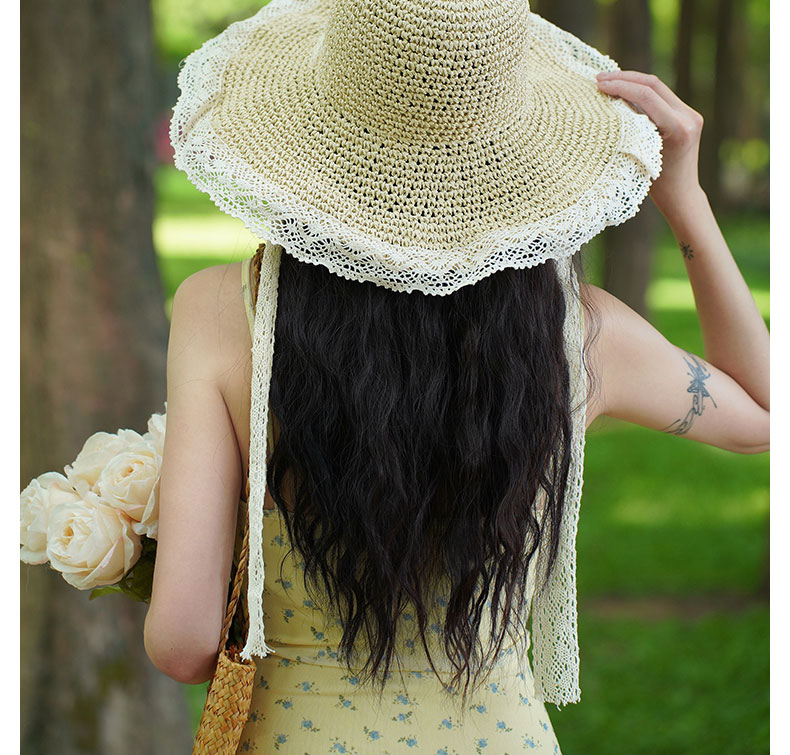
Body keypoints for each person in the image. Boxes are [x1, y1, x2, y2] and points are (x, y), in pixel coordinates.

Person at [143, 2, 769, 752]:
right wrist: (686, 200)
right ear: (518, 148)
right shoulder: (583, 335)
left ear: (313, 135)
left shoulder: (222, 312)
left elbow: (183, 643)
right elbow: (764, 413)